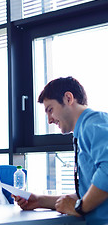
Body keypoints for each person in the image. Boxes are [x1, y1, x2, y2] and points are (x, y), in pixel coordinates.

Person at [14, 76, 108, 225]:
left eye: (50, 110)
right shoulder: (83, 132)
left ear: (68, 98)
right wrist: (39, 200)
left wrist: (79, 207)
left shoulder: (94, 124)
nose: (49, 120)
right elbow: (89, 194)